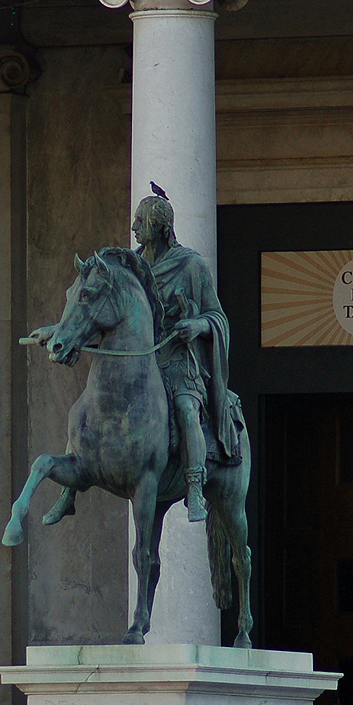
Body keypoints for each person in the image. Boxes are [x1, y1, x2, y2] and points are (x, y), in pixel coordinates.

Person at [130, 189, 237, 524]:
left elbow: (217, 317)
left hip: (178, 362)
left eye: (140, 221)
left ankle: (194, 485)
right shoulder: (132, 267)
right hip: (142, 362)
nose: (134, 227)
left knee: (187, 409)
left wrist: (196, 325)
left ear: (159, 227)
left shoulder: (191, 265)